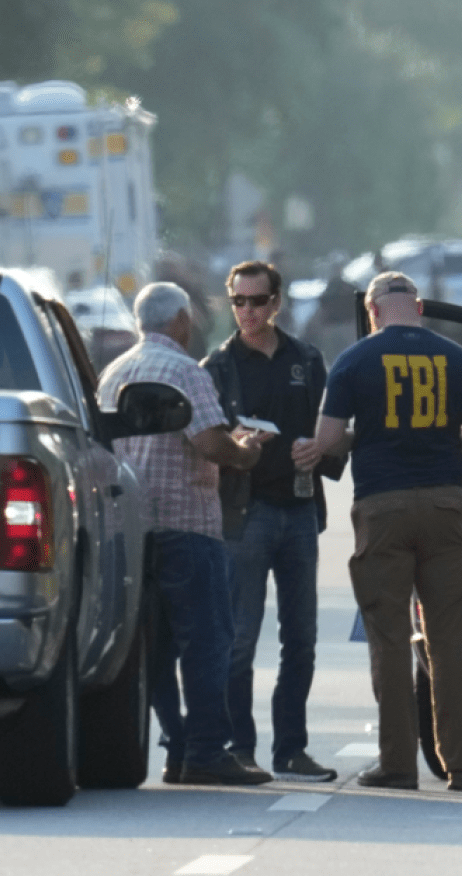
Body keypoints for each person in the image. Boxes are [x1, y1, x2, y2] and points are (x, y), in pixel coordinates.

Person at [293, 271, 462, 792]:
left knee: (388, 638)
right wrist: (443, 432)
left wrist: (371, 433)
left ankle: (398, 765)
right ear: (420, 306)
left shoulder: (355, 360)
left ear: (373, 310)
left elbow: (328, 439)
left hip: (382, 507)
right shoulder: (458, 359)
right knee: (451, 640)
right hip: (445, 506)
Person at [98, 282, 273, 786]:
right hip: (189, 526)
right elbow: (210, 443)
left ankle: (177, 745)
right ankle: (205, 751)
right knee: (209, 641)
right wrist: (247, 450)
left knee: (153, 647)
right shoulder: (184, 372)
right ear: (178, 321)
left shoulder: (114, 373)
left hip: (131, 529)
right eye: (189, 317)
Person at [201, 260, 338, 782]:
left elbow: (339, 430)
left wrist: (320, 449)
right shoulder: (218, 365)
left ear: (277, 303)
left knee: (300, 638)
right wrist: (236, 447)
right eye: (239, 302)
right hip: (246, 511)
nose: (249, 312)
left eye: (258, 301)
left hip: (299, 509)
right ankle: (241, 747)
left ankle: (291, 749)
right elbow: (202, 443)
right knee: (239, 638)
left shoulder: (306, 358)